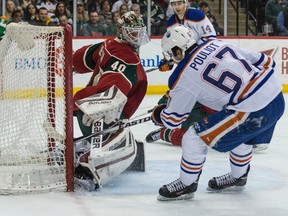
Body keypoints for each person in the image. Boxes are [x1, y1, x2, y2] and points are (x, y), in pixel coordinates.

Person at [151, 25, 284, 201]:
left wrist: (158, 114)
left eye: (171, 53)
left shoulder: (182, 76)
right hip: (276, 97)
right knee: (241, 132)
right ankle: (239, 176)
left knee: (193, 136)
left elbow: (172, 120)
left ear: (177, 50)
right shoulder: (215, 43)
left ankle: (187, 184)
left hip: (252, 109)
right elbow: (266, 61)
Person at [72, 11, 150, 191]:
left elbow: (81, 58)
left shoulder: (108, 44)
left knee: (121, 134)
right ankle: (86, 172)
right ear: (122, 31)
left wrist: (72, 63)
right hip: (98, 114)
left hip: (89, 110)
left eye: (139, 32)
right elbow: (114, 87)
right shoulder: (127, 58)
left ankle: (82, 146)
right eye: (133, 32)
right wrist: (101, 105)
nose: (137, 37)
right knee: (127, 147)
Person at [157, 0, 216, 73]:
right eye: (174, 4)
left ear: (185, 3)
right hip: (188, 65)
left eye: (179, 3)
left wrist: (193, 52)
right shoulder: (171, 22)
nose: (177, 7)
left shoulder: (197, 15)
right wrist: (169, 61)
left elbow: (210, 37)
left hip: (205, 59)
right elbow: (173, 45)